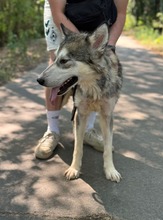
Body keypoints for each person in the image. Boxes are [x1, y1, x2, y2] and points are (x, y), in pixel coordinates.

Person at [35, 0, 128, 159]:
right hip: (61, 14)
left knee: (94, 69)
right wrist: (80, 46)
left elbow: (120, 13)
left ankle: (87, 129)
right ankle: (52, 130)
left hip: (98, 16)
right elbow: (58, 12)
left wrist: (109, 47)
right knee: (58, 62)